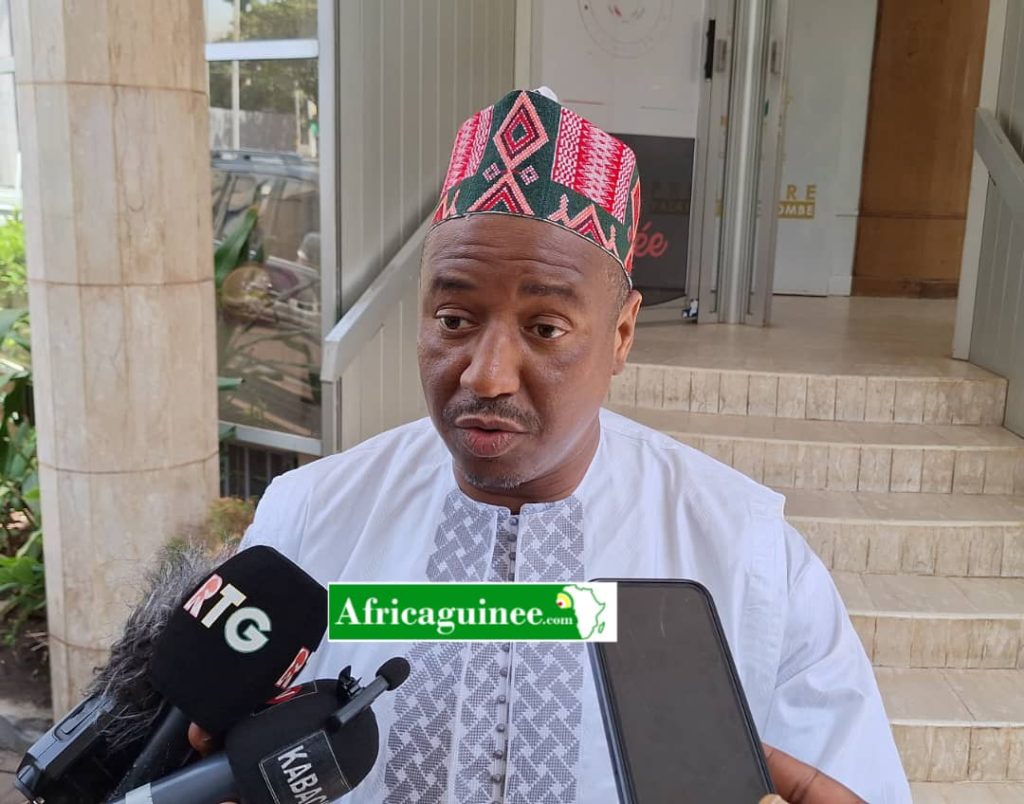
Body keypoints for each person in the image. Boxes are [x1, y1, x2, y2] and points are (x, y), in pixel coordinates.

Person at [194, 89, 910, 803]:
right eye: (454, 319)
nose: (486, 376)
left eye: (545, 329)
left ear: (621, 334)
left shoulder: (747, 555)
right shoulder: (308, 522)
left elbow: (848, 778)